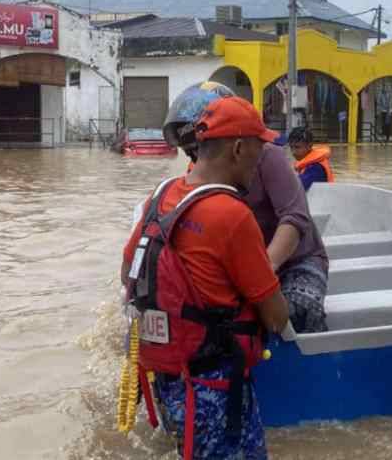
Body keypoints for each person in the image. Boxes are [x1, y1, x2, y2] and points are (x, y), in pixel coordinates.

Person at [121, 95, 290, 460]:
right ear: (239, 148)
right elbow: (276, 316)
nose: (261, 161)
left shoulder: (162, 194)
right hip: (215, 387)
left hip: (168, 378)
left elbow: (128, 272)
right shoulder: (232, 215)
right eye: (259, 150)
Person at [162, 82, 329, 334]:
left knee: (297, 313)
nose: (197, 159)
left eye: (198, 149)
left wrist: (263, 270)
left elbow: (294, 218)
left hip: (294, 261)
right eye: (191, 154)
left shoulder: (265, 155)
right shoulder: (195, 177)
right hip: (243, 265)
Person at [287, 126, 335, 192]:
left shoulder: (316, 167)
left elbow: (295, 187)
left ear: (309, 146)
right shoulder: (305, 164)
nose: (293, 152)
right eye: (291, 147)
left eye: (297, 147)